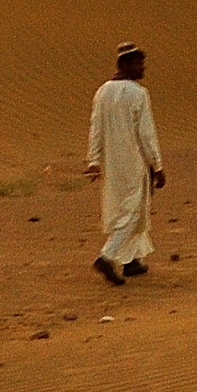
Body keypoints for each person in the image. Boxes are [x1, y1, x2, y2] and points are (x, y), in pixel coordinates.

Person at [85, 44, 164, 283]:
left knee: (122, 210)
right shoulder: (138, 93)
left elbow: (95, 127)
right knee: (133, 214)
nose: (142, 68)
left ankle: (132, 261)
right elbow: (146, 134)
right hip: (133, 163)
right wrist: (157, 165)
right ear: (125, 65)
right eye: (138, 64)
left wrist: (94, 160)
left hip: (111, 166)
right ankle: (107, 258)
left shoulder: (102, 92)